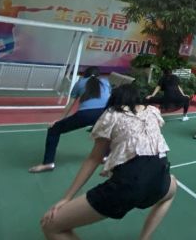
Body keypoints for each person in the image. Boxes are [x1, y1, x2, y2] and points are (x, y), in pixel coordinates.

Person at [39, 84, 176, 240]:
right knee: (172, 187)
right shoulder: (152, 111)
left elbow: (94, 159)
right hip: (160, 179)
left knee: (50, 226)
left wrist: (67, 198)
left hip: (128, 186)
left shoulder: (111, 114)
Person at [30, 66, 111, 173]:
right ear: (98, 75)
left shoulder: (80, 83)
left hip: (85, 115)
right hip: (105, 114)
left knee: (53, 130)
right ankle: (105, 156)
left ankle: (48, 163)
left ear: (84, 75)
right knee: (108, 133)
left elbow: (70, 104)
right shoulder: (105, 82)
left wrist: (59, 120)